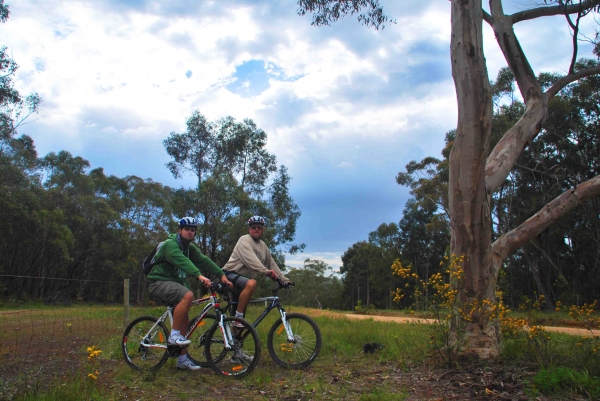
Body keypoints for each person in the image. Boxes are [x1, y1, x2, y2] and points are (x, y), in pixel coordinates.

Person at [147, 216, 233, 371]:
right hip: (158, 282)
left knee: (185, 320)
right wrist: (199, 275)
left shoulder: (188, 248)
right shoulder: (170, 245)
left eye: (192, 230)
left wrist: (221, 274)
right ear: (179, 230)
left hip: (174, 283)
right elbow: (182, 261)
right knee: (187, 295)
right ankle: (174, 335)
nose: (190, 232)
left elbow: (202, 259)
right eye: (187, 229)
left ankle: (182, 360)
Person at [223, 215, 291, 325]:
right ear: (249, 229)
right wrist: (265, 272)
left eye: (259, 227)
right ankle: (238, 319)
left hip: (244, 281)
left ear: (262, 230)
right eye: (253, 227)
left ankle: (235, 339)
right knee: (251, 284)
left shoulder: (263, 246)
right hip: (230, 275)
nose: (256, 229)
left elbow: (272, 264)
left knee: (239, 322)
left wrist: (284, 280)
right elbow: (251, 261)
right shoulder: (244, 240)